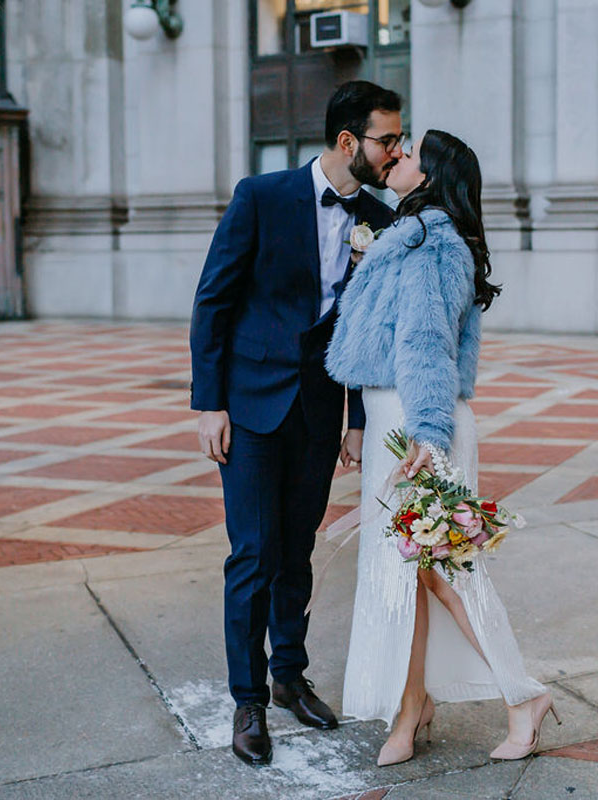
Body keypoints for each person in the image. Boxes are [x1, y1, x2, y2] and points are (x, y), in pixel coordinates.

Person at [189, 80, 404, 767]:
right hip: (250, 408)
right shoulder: (262, 196)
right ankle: (247, 700)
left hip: (318, 410)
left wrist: (359, 420)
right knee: (252, 555)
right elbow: (213, 302)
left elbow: (371, 329)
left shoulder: (380, 215)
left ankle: (288, 677)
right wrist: (208, 404)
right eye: (387, 139)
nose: (395, 150)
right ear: (349, 142)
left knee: (295, 553)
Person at [326, 130, 557, 767]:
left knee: (446, 570)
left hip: (417, 421)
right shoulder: (415, 235)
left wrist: (427, 434)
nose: (395, 157)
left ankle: (522, 696)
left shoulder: (434, 244)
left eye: (409, 154)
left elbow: (427, 344)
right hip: (393, 421)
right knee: (409, 574)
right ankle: (412, 706)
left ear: (432, 177)